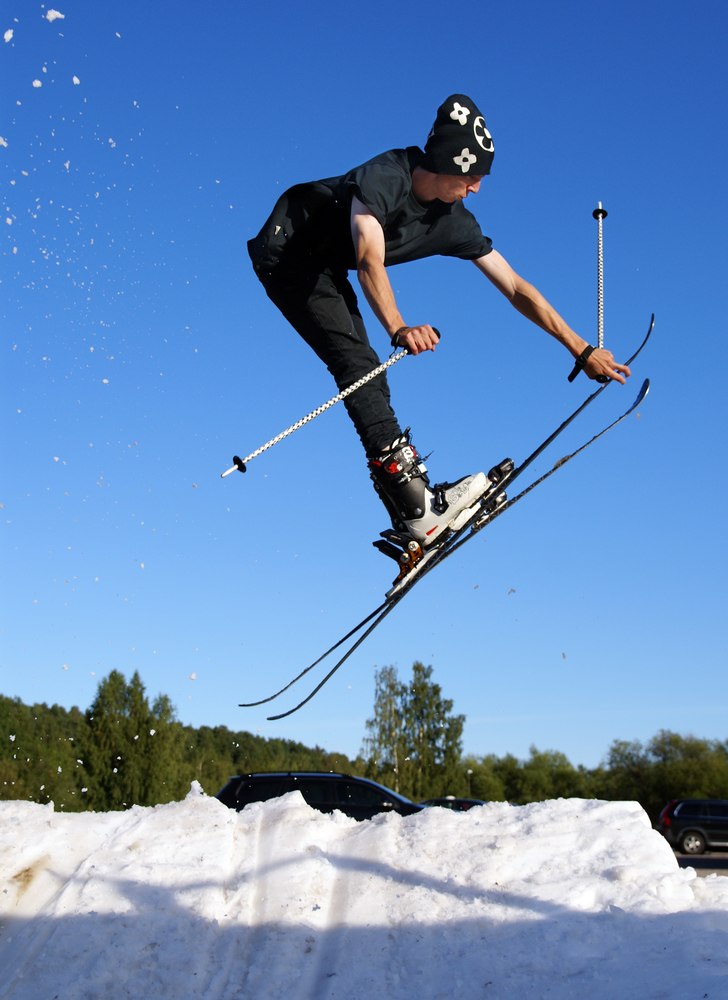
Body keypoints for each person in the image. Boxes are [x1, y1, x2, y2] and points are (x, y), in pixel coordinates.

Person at [247, 94, 630, 553]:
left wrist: (580, 348)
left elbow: (514, 286)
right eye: (471, 177)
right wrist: (399, 326)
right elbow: (370, 258)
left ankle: (413, 512)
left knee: (370, 375)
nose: (476, 189)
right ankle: (417, 512)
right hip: (286, 247)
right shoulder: (386, 177)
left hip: (328, 265)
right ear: (446, 164)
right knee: (356, 361)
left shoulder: (455, 222)